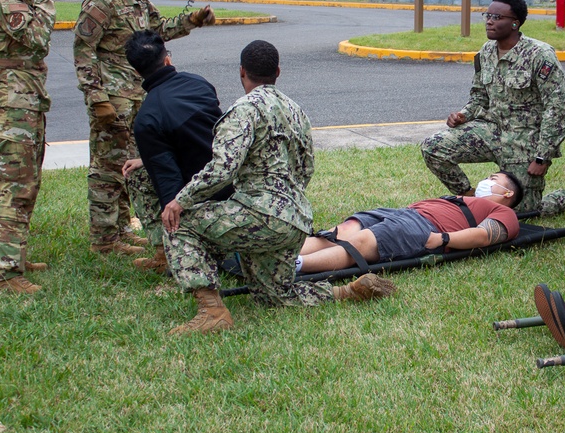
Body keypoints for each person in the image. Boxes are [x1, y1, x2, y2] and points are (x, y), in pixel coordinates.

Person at [159, 40, 396, 335]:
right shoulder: (296, 111)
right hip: (296, 220)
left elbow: (222, 169)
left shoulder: (244, 109)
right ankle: (347, 291)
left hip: (261, 215)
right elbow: (307, 168)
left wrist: (180, 201)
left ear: (242, 72)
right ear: (278, 72)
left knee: (179, 224)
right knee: (273, 297)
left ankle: (211, 311)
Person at [73, 0, 216, 258]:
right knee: (107, 168)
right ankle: (104, 239)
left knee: (130, 165)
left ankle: (122, 227)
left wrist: (191, 20)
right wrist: (97, 99)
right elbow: (83, 52)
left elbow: (156, 34)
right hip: (113, 100)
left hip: (138, 97)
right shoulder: (100, 2)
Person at [421, 0, 565, 216]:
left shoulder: (540, 55)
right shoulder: (485, 52)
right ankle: (471, 199)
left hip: (525, 139)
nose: (489, 20)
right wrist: (463, 115)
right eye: (487, 15)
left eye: (497, 17)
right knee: (434, 147)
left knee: (525, 214)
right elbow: (479, 96)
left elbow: (556, 109)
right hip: (491, 130)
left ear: (515, 23)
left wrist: (542, 156)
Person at [0, 0, 69, 294]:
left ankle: (15, 256)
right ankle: (6, 273)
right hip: (10, 103)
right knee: (14, 186)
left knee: (27, 183)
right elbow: (38, 37)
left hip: (25, 99)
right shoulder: (5, 0)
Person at [121, 30, 232, 274]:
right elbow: (202, 137)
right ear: (168, 60)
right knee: (143, 165)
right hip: (233, 183)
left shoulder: (147, 119)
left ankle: (166, 254)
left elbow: (167, 183)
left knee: (138, 176)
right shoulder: (199, 82)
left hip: (202, 199)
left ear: (136, 73)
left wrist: (178, 239)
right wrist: (147, 159)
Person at [297, 171, 524, 273]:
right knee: (343, 231)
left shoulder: (505, 213)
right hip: (402, 213)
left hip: (426, 228)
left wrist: (442, 239)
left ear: (507, 194)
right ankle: (282, 254)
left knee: (364, 241)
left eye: (493, 179)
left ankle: (293, 267)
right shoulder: (467, 199)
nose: (485, 181)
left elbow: (485, 236)